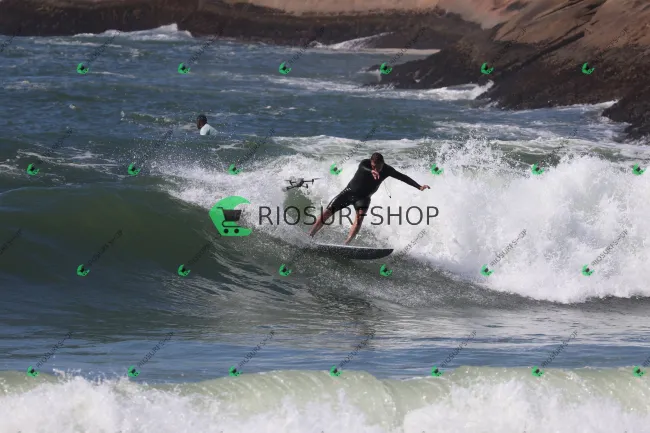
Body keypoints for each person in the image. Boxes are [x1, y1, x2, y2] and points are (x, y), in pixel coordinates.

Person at [308, 153, 430, 245]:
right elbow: (362, 168)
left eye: (378, 167)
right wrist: (371, 171)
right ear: (371, 163)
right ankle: (310, 235)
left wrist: (419, 186)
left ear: (383, 163)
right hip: (348, 193)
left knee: (359, 220)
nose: (376, 169)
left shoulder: (387, 170)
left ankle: (346, 244)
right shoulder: (365, 164)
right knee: (328, 212)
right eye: (373, 166)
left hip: (363, 198)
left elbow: (403, 177)